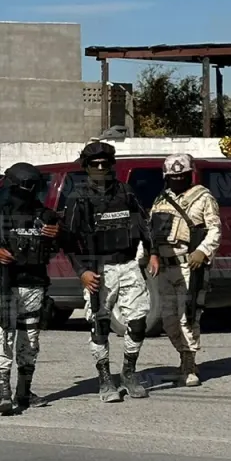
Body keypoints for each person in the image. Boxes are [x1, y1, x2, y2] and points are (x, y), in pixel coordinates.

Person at [58, 140, 154, 403]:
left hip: (129, 265)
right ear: (86, 167)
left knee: (138, 322)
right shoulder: (78, 198)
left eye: (105, 163)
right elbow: (68, 241)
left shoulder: (125, 192)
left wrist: (152, 252)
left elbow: (144, 225)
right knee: (99, 325)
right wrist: (82, 273)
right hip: (98, 269)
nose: (101, 168)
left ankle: (129, 373)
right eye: (95, 164)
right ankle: (104, 380)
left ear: (112, 165)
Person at [0, 163, 59, 415]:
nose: (30, 191)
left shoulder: (44, 215)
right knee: (2, 336)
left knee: (30, 340)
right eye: (26, 185)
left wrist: (58, 234)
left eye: (34, 186)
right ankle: (4, 393)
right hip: (4, 284)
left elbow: (62, 242)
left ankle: (24, 391)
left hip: (35, 284)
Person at [147, 153, 222, 387]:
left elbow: (215, 229)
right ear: (166, 177)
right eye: (173, 176)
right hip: (166, 267)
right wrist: (151, 254)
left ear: (189, 174)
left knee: (188, 316)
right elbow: (151, 231)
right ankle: (183, 359)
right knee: (168, 320)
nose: (178, 179)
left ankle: (190, 365)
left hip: (190, 264)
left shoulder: (203, 197)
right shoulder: (161, 199)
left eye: (182, 176)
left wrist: (203, 251)